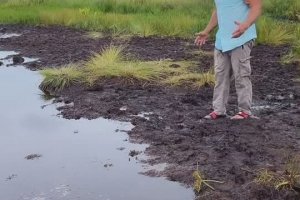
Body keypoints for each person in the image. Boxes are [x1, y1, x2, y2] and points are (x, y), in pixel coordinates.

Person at [195, 0, 262, 120]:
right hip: (222, 41)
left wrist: (246, 25)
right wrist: (207, 31)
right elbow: (219, 10)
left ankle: (245, 111)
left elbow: (256, 6)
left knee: (242, 75)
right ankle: (219, 110)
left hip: (242, 38)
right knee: (220, 75)